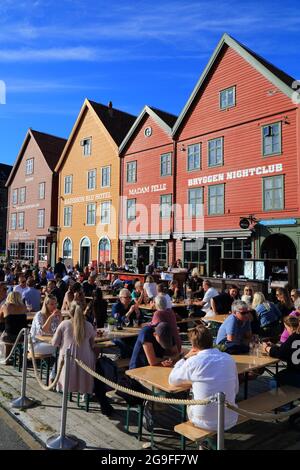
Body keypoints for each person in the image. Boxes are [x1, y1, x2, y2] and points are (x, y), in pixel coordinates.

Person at [169, 324, 239, 431]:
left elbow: (172, 380)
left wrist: (184, 358)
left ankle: (201, 446)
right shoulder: (228, 358)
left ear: (193, 346)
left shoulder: (193, 361)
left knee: (188, 399)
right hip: (230, 418)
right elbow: (236, 390)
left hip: (204, 422)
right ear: (211, 342)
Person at [51, 302, 107, 409]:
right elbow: (92, 344)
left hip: (68, 358)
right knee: (92, 357)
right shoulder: (89, 325)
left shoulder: (64, 324)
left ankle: (64, 388)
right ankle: (85, 393)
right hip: (85, 359)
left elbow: (54, 343)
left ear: (70, 312)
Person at [263, 316, 300, 387]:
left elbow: (280, 354)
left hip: (296, 373)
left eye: (286, 328)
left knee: (273, 381)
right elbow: (287, 350)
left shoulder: (293, 337)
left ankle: (283, 397)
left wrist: (267, 348)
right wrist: (275, 346)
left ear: (291, 328)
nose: (285, 330)